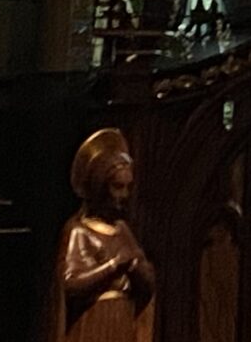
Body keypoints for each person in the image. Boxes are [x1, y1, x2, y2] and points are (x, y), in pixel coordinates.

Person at [49, 129, 154, 342]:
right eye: (117, 187)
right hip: (94, 322)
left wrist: (137, 270)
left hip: (122, 322)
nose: (124, 195)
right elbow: (71, 283)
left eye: (128, 187)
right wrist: (114, 266)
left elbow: (148, 280)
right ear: (99, 186)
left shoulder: (122, 230)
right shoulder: (79, 230)